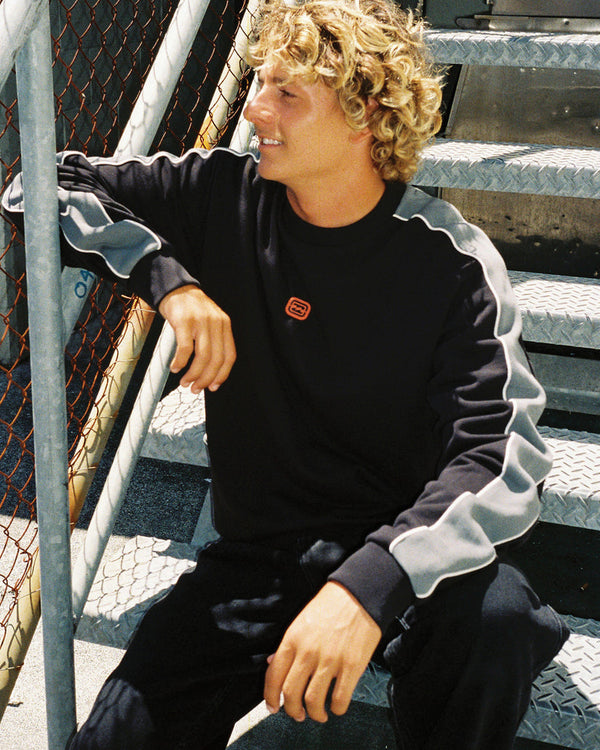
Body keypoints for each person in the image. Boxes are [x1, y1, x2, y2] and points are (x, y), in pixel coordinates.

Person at [2, 1, 568, 748]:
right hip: (260, 559)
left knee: (496, 622)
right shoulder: (223, 193)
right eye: (258, 82)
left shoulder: (451, 262)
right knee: (120, 734)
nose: (254, 107)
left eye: (287, 93)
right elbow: (37, 187)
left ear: (367, 114)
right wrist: (168, 279)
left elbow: (504, 459)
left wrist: (365, 590)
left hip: (410, 556)